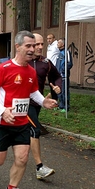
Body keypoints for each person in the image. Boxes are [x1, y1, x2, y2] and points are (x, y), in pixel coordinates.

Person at [0, 31, 58, 189]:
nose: (32, 49)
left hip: (21, 123)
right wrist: (2, 111)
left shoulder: (30, 71)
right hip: (2, 122)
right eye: (28, 46)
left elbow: (32, 91)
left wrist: (43, 102)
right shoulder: (4, 69)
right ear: (18, 47)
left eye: (34, 46)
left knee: (22, 158)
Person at [29, 33, 62, 179]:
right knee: (35, 130)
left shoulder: (46, 62)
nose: (41, 47)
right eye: (37, 44)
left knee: (18, 133)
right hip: (22, 104)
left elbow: (57, 76)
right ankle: (39, 167)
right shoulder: (23, 62)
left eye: (42, 44)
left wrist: (57, 87)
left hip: (37, 103)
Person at [56, 38, 73, 112]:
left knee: (64, 91)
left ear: (63, 44)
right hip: (58, 76)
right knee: (59, 91)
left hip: (64, 76)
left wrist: (63, 70)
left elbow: (69, 63)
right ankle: (61, 105)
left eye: (59, 42)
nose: (57, 44)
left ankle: (66, 107)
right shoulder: (59, 53)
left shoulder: (66, 52)